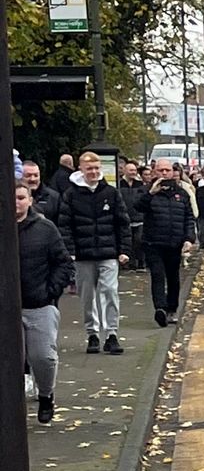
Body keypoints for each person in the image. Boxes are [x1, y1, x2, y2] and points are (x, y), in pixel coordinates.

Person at [17, 176, 74, 423]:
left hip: (39, 305)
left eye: (21, 198)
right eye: (12, 198)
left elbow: (63, 264)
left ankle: (46, 396)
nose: (16, 203)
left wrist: (51, 291)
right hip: (8, 309)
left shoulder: (44, 228)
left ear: (30, 200)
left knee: (43, 357)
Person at [60, 149, 129, 354]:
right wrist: (70, 251)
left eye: (97, 168)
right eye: (89, 168)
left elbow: (122, 222)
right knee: (87, 296)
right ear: (81, 168)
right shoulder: (71, 195)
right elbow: (65, 225)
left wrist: (124, 249)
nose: (93, 172)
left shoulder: (110, 192)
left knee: (110, 291)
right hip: (83, 255)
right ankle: (92, 334)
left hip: (108, 253)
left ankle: (112, 334)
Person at [142, 158, 194, 325]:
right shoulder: (147, 191)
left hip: (174, 242)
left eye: (167, 170)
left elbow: (189, 217)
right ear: (154, 172)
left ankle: (172, 309)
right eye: (160, 170)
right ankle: (160, 308)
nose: (164, 173)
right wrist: (151, 193)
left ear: (172, 172)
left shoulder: (182, 194)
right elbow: (137, 207)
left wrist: (189, 238)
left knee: (173, 277)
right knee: (157, 275)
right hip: (153, 242)